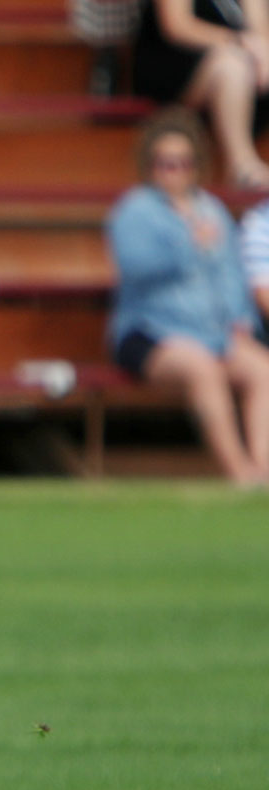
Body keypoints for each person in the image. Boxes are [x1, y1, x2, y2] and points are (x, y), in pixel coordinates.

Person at [107, 111, 269, 486]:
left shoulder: (211, 210)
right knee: (202, 368)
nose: (175, 172)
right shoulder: (134, 211)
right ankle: (239, 472)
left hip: (212, 331)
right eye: (166, 163)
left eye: (184, 163)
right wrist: (186, 245)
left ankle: (264, 467)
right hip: (152, 331)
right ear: (150, 165)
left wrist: (241, 321)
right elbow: (135, 267)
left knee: (262, 369)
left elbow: (232, 275)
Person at [131, 0, 269, 189]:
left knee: (243, 62)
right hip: (176, 62)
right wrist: (240, 42)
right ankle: (242, 167)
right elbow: (177, 26)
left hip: (242, 58)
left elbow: (260, 26)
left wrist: (262, 53)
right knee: (231, 65)